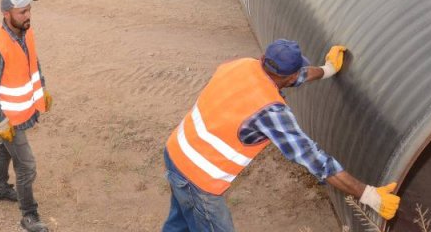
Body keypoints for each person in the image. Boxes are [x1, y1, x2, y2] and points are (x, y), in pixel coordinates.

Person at [161, 40, 399, 231]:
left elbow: (293, 77)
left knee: (180, 222)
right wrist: (368, 195)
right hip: (199, 179)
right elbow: (315, 159)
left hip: (176, 152)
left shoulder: (243, 65)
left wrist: (327, 70)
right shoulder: (270, 111)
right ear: (290, 76)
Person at [0, 0, 51, 232]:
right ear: (6, 14)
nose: (27, 15)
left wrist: (42, 88)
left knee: (6, 148)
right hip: (6, 117)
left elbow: (33, 63)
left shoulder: (26, 32)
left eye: (28, 10)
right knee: (26, 165)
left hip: (21, 112)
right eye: (22, 12)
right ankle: (28, 215)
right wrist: (0, 122)